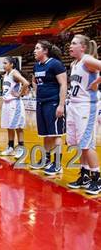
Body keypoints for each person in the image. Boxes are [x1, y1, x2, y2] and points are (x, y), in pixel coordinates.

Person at [66, 35, 101, 195]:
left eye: (74, 43)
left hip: (86, 107)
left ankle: (97, 179)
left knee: (87, 144)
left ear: (83, 47)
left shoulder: (87, 60)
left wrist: (97, 82)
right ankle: (85, 175)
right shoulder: (75, 63)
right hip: (74, 106)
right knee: (80, 144)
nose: (70, 46)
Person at [30, 40, 67, 176]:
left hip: (53, 103)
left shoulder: (55, 64)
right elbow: (34, 81)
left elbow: (63, 84)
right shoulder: (36, 66)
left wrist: (61, 105)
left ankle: (57, 165)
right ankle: (46, 160)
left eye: (37, 48)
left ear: (45, 51)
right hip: (41, 103)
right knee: (45, 134)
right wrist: (37, 92)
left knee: (56, 134)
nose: (34, 51)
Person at [0, 56, 30, 158]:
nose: (3, 65)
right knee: (9, 127)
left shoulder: (14, 73)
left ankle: (21, 149)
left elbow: (26, 83)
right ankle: (10, 148)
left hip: (15, 103)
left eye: (5, 63)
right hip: (7, 103)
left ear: (11, 64)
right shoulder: (6, 75)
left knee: (18, 127)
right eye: (3, 63)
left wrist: (19, 94)